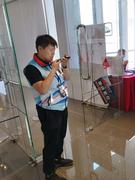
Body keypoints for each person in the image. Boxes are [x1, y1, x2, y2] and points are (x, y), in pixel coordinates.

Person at [24, 35, 73, 180]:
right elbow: (43, 89)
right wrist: (53, 70)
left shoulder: (51, 63)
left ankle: (57, 159)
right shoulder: (31, 68)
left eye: (54, 50)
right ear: (40, 49)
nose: (53, 53)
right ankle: (48, 171)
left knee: (61, 136)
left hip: (62, 106)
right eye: (50, 50)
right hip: (48, 111)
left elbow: (67, 78)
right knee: (51, 140)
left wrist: (63, 67)